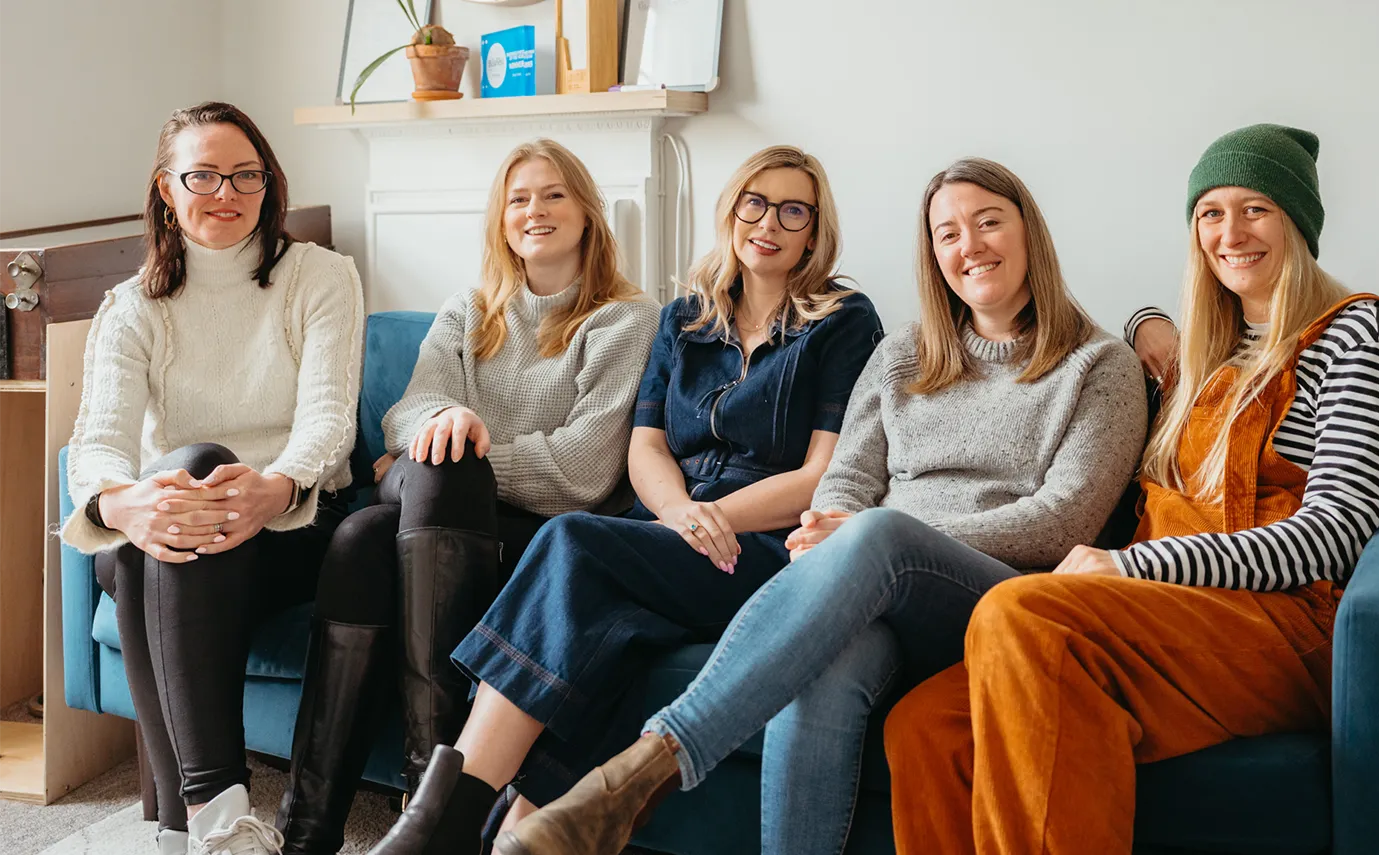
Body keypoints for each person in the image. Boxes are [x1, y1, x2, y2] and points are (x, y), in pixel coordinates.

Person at [485, 157, 1151, 855]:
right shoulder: (904, 356)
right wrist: (830, 533)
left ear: (1029, 234)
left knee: (884, 533)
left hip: (998, 595)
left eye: (989, 223)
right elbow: (842, 483)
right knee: (825, 671)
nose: (970, 246)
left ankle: (640, 773)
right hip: (876, 583)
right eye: (948, 233)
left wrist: (875, 533)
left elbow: (1064, 519)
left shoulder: (1099, 365)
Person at [883, 124, 1379, 855]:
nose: (1230, 231)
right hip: (1168, 619)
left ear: (1299, 223)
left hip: (1285, 627)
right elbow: (1145, 335)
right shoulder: (1213, 357)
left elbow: (1332, 536)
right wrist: (1147, 322)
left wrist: (1130, 565)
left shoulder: (1360, 336)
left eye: (1257, 209)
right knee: (925, 725)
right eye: (1210, 212)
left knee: (1023, 615)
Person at [367, 144, 884, 855]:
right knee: (613, 635)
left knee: (571, 539)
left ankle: (442, 818)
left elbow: (825, 470)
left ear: (814, 228)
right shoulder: (684, 318)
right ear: (730, 212)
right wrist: (677, 512)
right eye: (754, 203)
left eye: (794, 210)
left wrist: (715, 517)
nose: (770, 222)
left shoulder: (845, 322)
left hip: (759, 546)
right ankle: (516, 833)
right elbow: (647, 447)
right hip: (668, 530)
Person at [275, 139, 659, 854]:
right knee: (363, 533)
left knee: (427, 483)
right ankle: (308, 832)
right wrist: (440, 429)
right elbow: (409, 410)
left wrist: (459, 450)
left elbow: (583, 469)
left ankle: (434, 805)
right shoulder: (470, 309)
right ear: (500, 217)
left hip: (543, 542)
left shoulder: (626, 318)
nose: (534, 211)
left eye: (553, 195)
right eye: (518, 198)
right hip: (437, 521)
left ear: (586, 212)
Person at [62, 101, 364, 855]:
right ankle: (217, 824)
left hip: (292, 526)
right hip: (185, 527)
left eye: (245, 175)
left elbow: (329, 421)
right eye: (203, 175)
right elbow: (96, 443)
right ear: (167, 188)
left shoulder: (320, 277)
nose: (225, 193)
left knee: (141, 544)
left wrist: (278, 485)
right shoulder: (131, 307)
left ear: (269, 184)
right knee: (162, 503)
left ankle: (187, 825)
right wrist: (125, 501)